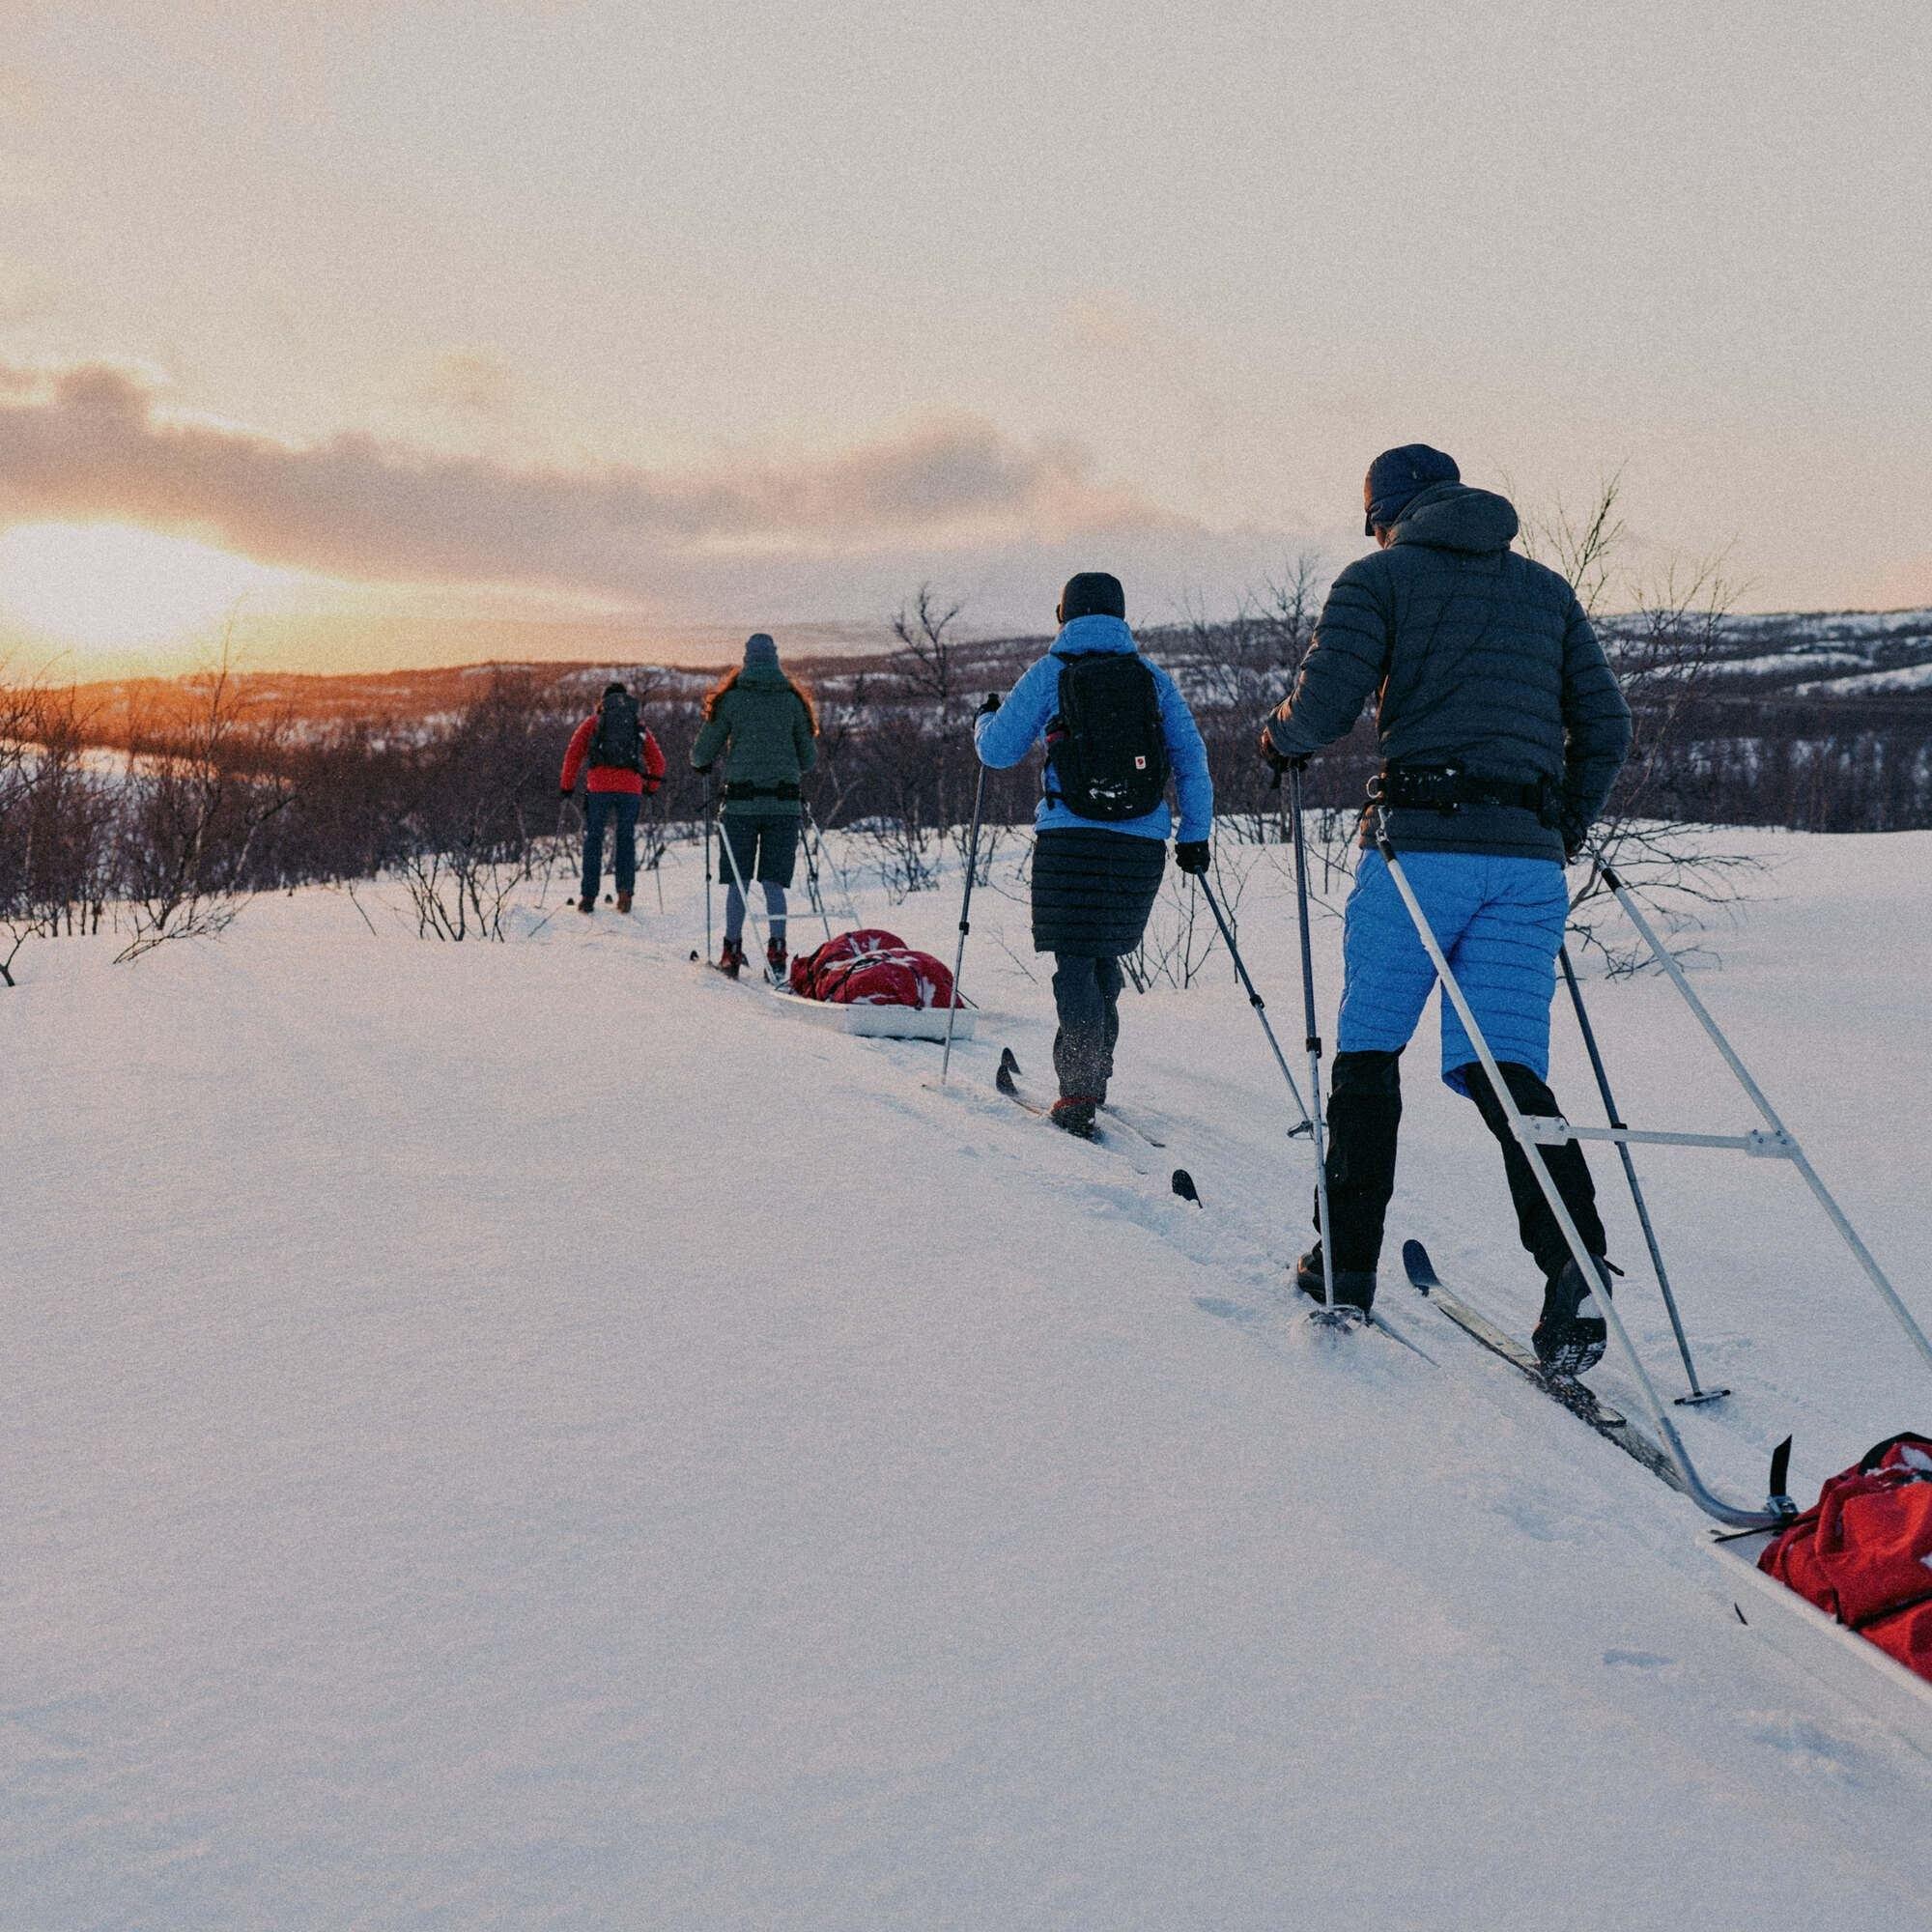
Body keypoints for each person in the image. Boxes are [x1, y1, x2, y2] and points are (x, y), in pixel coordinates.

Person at [1259, 444, 1634, 1373]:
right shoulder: (1545, 590)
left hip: (1419, 848)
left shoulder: (1378, 578)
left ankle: (1345, 1268)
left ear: (1387, 511)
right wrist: (1561, 829)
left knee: (1369, 1049)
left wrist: (1279, 737)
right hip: (1525, 867)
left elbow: (1325, 708)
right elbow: (1609, 727)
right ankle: (1573, 1267)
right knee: (1506, 1070)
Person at [976, 571, 1214, 1137]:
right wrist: (1194, 836)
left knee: (1076, 960)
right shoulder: (1151, 678)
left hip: (1070, 839)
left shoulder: (1050, 673)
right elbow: (1192, 759)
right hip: (1140, 844)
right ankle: (1094, 1072)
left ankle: (1080, 1084)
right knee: (1105, 952)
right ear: (1121, 616)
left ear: (1064, 615)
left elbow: (998, 751)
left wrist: (984, 718)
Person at [691, 632, 819, 979]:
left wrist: (705, 763)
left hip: (741, 805)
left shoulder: (731, 701)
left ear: (746, 660)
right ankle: (777, 950)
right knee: (774, 881)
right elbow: (808, 759)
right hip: (784, 805)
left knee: (738, 880)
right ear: (776, 659)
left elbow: (701, 753)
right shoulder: (793, 702)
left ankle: (731, 951)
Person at [560, 681, 667, 914]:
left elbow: (573, 754)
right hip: (630, 789)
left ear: (603, 701)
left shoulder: (593, 722)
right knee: (625, 839)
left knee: (594, 839)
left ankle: (588, 896)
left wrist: (566, 787)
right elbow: (658, 761)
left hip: (599, 788)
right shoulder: (638, 725)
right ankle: (625, 893)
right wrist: (651, 787)